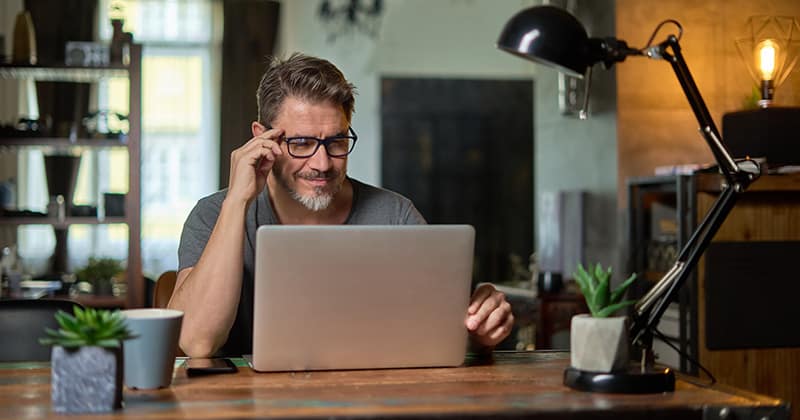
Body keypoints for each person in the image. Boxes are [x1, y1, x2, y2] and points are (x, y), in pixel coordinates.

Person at [169, 53, 514, 358]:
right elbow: (198, 342)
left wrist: (479, 330)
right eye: (302, 143)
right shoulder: (214, 214)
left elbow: (442, 334)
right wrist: (237, 202)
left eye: (336, 141)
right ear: (262, 138)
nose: (322, 163)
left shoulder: (396, 216)